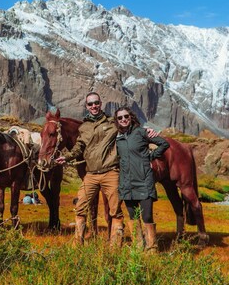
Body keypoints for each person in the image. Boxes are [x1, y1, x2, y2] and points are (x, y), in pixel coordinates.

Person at [55, 91, 124, 246]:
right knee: (80, 207)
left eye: (96, 103)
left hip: (110, 173)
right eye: (90, 104)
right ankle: (78, 244)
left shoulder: (113, 122)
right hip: (91, 174)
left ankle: (115, 246)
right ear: (86, 106)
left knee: (115, 210)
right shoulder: (84, 127)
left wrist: (146, 131)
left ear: (101, 104)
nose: (94, 106)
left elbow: (129, 127)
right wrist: (66, 157)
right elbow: (79, 147)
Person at [115, 107, 169, 252]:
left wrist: (150, 157)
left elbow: (164, 144)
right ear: (117, 121)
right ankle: (139, 249)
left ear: (131, 117)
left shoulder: (141, 132)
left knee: (146, 216)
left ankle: (151, 250)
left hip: (144, 181)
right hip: (127, 183)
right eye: (120, 118)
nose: (123, 119)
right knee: (133, 218)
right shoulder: (117, 138)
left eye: (126, 116)